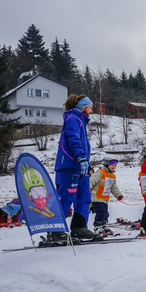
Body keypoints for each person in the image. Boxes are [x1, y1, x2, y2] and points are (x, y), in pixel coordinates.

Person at [51, 94, 96, 241]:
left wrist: (86, 163)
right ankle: (55, 231)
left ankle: (79, 227)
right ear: (83, 107)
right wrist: (80, 157)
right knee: (66, 197)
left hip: (80, 166)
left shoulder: (81, 120)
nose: (92, 110)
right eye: (90, 107)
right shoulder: (73, 119)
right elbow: (73, 139)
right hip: (70, 165)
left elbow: (82, 144)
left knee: (84, 197)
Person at [89, 156, 124, 234]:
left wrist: (118, 195)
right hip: (96, 197)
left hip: (105, 198)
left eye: (115, 165)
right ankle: (98, 227)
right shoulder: (100, 172)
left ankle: (103, 225)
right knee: (100, 213)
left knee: (105, 213)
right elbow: (91, 181)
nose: (113, 166)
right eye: (112, 165)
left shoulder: (112, 176)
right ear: (106, 164)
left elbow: (114, 187)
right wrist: (88, 189)